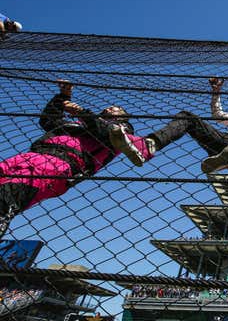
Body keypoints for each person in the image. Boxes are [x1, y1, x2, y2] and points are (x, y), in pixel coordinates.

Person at [0, 80, 153, 239]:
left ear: (124, 117)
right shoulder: (77, 124)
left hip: (59, 165)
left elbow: (104, 131)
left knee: (6, 198)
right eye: (108, 107)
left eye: (116, 109)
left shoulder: (122, 132)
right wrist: (62, 97)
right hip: (30, 155)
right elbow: (48, 120)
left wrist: (82, 113)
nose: (109, 109)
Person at [110, 73, 228, 174]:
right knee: (187, 117)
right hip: (225, 143)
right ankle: (150, 145)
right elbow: (218, 115)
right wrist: (216, 92)